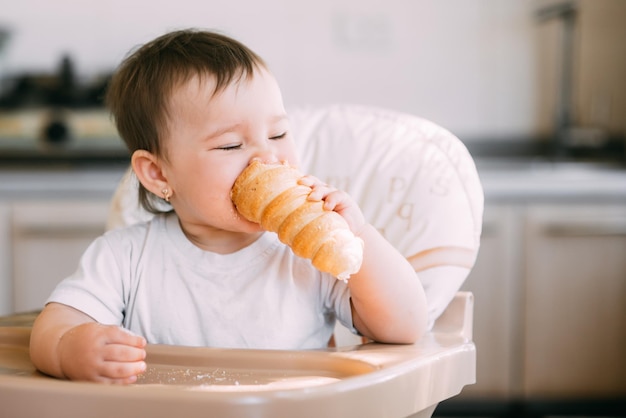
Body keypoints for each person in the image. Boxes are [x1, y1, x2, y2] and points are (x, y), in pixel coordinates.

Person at [29, 29, 428, 384]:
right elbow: (51, 330)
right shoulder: (124, 257)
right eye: (231, 145)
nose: (267, 157)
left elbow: (405, 326)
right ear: (158, 174)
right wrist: (70, 350)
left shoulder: (307, 254)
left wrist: (359, 238)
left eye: (279, 133)